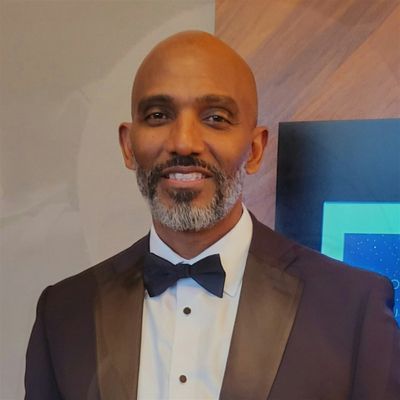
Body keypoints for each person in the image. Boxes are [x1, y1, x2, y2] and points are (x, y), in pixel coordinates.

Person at [25, 31, 400, 400]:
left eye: (216, 117)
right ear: (128, 145)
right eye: (158, 115)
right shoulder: (62, 313)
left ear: (255, 150)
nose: (183, 142)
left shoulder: (353, 308)